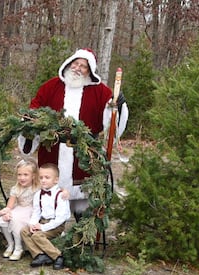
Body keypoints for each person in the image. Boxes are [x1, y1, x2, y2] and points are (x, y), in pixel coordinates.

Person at [22, 48, 128, 217]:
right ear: (69, 63)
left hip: (83, 155)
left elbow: (111, 116)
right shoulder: (52, 85)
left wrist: (118, 105)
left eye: (83, 66)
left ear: (90, 71)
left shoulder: (100, 91)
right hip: (52, 150)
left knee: (82, 202)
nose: (77, 68)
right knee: (49, 201)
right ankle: (47, 233)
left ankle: (82, 237)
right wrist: (30, 120)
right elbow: (36, 107)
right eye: (75, 63)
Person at [21, 163, 71, 269]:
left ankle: (58, 256)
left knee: (37, 236)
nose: (43, 180)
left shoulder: (60, 195)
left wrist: (43, 228)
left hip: (56, 225)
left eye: (47, 178)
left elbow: (60, 219)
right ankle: (39, 255)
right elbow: (36, 212)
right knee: (24, 231)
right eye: (41, 177)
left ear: (56, 180)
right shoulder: (38, 194)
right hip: (42, 221)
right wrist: (33, 224)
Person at [0, 159, 38, 261]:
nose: (22, 178)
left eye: (25, 175)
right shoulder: (16, 189)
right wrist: (6, 212)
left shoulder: (37, 188)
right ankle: (10, 244)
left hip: (32, 210)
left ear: (33, 176)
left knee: (16, 220)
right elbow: (10, 205)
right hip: (19, 208)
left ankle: (19, 248)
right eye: (19, 175)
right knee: (4, 219)